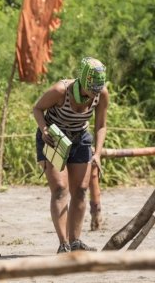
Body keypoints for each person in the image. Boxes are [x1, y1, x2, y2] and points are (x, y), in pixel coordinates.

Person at [32, 57, 108, 254]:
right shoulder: (60, 90)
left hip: (80, 138)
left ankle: (76, 241)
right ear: (82, 81)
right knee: (59, 189)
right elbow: (37, 108)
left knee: (81, 190)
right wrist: (44, 130)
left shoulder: (101, 93)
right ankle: (63, 243)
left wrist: (97, 154)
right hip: (54, 138)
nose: (94, 93)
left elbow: (101, 125)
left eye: (97, 89)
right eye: (91, 88)